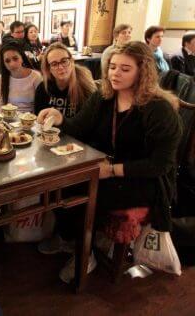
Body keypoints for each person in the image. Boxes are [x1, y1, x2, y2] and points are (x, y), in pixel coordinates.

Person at [37, 42, 182, 283]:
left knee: (84, 195)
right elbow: (78, 128)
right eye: (113, 67)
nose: (115, 73)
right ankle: (74, 240)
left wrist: (112, 170)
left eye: (125, 69)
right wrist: (59, 116)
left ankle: (86, 254)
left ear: (142, 71)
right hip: (106, 170)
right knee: (58, 184)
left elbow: (161, 165)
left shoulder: (159, 110)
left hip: (144, 181)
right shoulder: (104, 98)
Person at [34, 43, 96, 118]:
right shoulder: (43, 88)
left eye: (64, 61)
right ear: (49, 69)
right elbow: (38, 119)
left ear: (72, 61)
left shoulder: (85, 86)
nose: (60, 67)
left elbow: (90, 120)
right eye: (54, 64)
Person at [0, 41, 42, 113]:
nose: (12, 64)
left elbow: (40, 105)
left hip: (30, 120)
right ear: (3, 63)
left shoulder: (36, 77)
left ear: (22, 58)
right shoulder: (1, 78)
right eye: (7, 61)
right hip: (8, 120)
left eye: (15, 58)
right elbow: (0, 105)